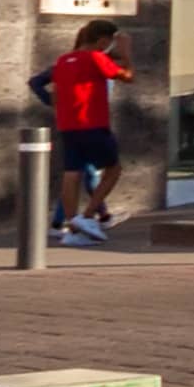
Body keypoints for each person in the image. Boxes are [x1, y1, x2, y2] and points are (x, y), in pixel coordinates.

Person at [47, 17, 130, 246]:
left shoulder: (63, 60)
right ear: (102, 40)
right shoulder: (97, 58)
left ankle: (73, 227)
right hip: (93, 123)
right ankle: (88, 215)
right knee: (113, 169)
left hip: (68, 125)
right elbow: (126, 76)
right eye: (110, 41)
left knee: (71, 173)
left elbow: (55, 92)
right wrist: (126, 54)